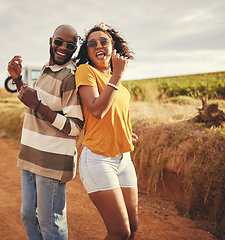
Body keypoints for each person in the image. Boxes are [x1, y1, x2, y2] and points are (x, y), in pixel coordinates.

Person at [7, 24, 83, 240]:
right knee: (28, 216)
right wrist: (17, 79)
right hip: (31, 156)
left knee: (50, 224)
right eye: (59, 42)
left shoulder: (69, 77)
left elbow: (75, 127)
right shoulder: (46, 69)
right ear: (51, 41)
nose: (63, 48)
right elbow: (33, 100)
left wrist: (39, 106)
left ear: (74, 49)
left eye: (70, 45)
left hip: (51, 162)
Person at [75, 23, 138, 240]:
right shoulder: (86, 71)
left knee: (133, 227)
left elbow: (114, 114)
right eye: (92, 43)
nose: (98, 45)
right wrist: (118, 74)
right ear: (88, 52)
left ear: (113, 47)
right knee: (120, 232)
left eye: (104, 41)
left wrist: (123, 132)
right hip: (98, 161)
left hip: (124, 159)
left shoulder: (117, 83)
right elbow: (96, 110)